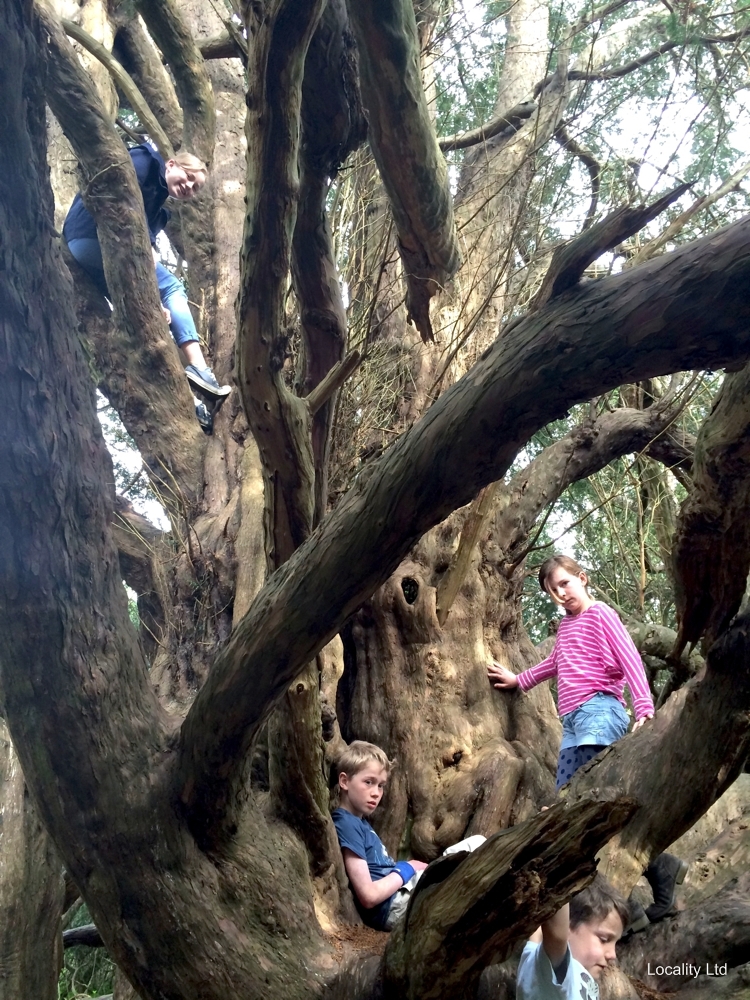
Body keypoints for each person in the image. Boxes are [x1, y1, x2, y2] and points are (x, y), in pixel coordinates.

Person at [488, 554, 686, 926]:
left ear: (583, 577)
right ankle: (657, 876)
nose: (560, 594)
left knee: (594, 801)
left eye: (565, 583)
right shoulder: (565, 628)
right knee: (566, 802)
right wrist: (519, 680)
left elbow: (629, 657)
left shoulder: (601, 615)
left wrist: (644, 705)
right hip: (573, 724)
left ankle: (634, 899)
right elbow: (554, 664)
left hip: (600, 710)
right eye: (552, 590)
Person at [63, 143, 231, 434]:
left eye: (195, 188)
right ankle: (200, 370)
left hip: (88, 251)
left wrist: (152, 303)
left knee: (151, 327)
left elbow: (143, 250)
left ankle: (193, 407)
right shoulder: (145, 160)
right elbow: (114, 198)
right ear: (171, 165)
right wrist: (154, 293)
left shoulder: (158, 210)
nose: (189, 187)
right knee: (173, 287)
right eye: (188, 177)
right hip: (92, 237)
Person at [331, 740, 485, 930]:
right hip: (394, 905)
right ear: (344, 781)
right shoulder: (346, 823)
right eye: (368, 782)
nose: (376, 793)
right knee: (477, 846)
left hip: (402, 895)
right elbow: (368, 896)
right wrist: (407, 868)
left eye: (380, 785)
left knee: (476, 849)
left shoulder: (359, 823)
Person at [516, 875, 629, 999]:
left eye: (615, 942)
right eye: (604, 939)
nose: (613, 955)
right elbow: (557, 934)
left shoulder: (537, 953)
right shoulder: (554, 970)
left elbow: (537, 931)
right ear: (567, 926)